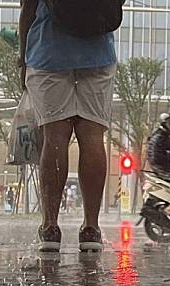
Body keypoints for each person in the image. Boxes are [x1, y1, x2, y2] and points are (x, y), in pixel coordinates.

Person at [20, 0, 117, 251]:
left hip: (48, 52)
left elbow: (28, 9)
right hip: (98, 53)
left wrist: (23, 58)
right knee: (93, 137)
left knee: (55, 136)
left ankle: (50, 226)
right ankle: (91, 229)